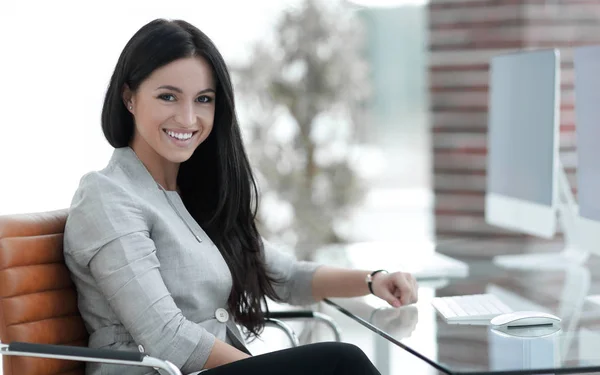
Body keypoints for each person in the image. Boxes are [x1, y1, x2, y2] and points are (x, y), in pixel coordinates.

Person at [63, 18, 418, 375]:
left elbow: (287, 276)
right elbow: (168, 338)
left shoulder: (196, 196)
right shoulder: (107, 197)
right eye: (167, 96)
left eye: (204, 99)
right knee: (341, 360)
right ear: (129, 98)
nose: (188, 118)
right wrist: (273, 369)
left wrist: (373, 281)